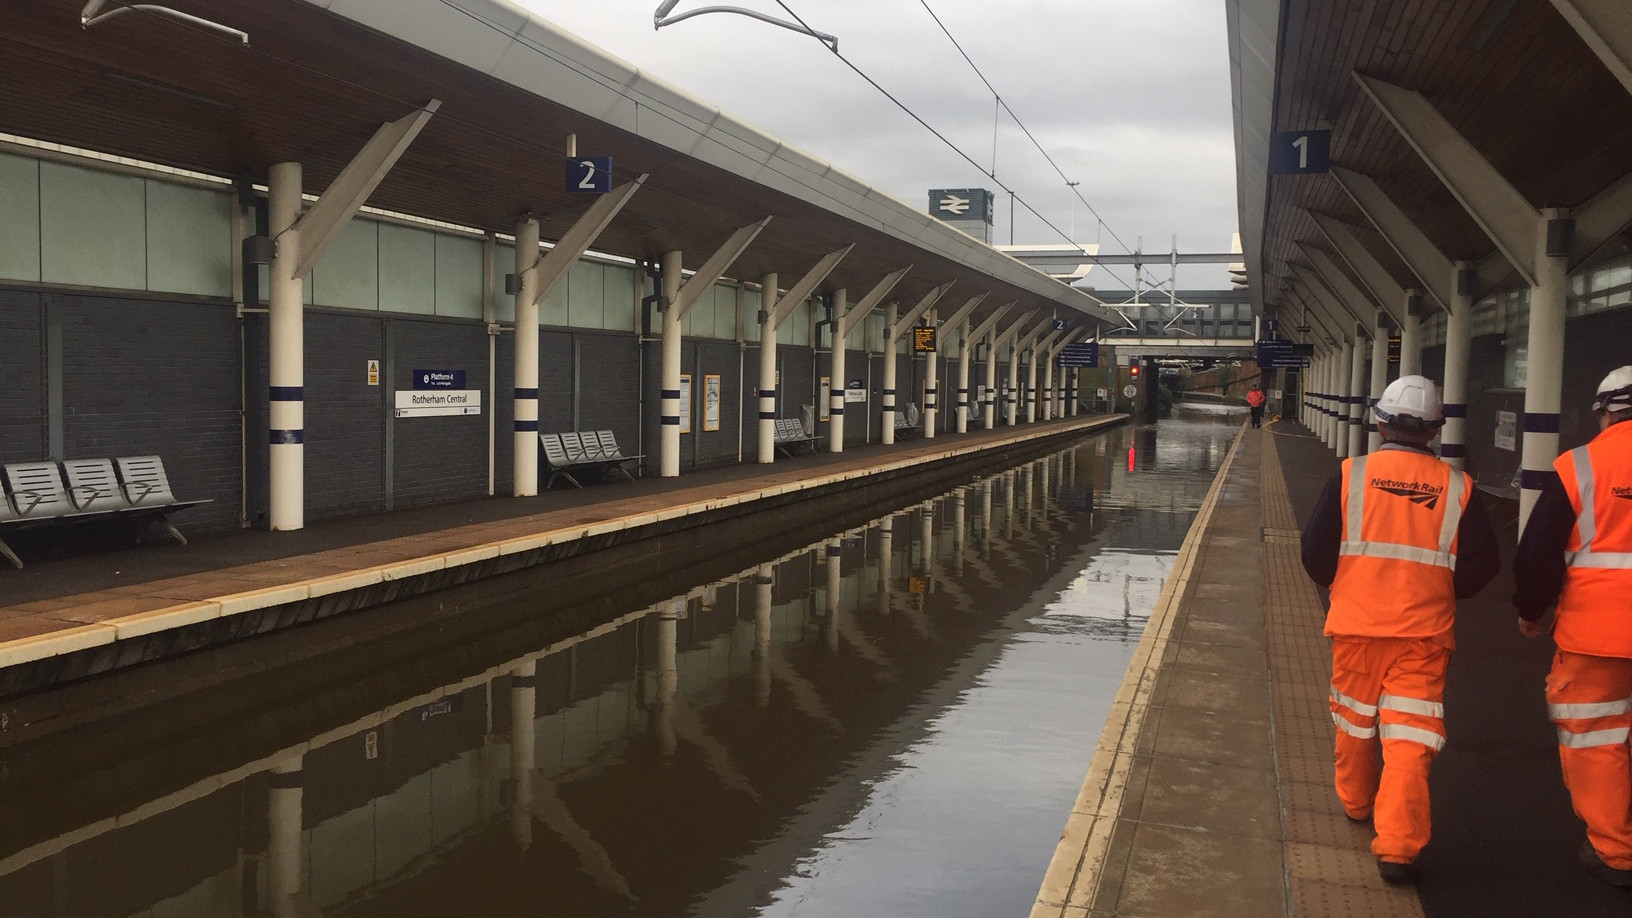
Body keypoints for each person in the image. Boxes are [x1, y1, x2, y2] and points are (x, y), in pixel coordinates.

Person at [1300, 375, 1501, 884]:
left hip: (1357, 625)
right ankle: (1399, 847)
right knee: (1411, 736)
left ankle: (1355, 802)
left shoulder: (1351, 475)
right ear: (1434, 430)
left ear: (1381, 421)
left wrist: (1344, 582)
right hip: (1423, 634)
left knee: (1354, 722)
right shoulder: (1459, 488)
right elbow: (1483, 563)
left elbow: (1315, 550)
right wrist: (1439, 592)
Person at [1513, 365, 1632, 887]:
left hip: (1597, 636)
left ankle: (1616, 849)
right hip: (1598, 634)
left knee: (1597, 737)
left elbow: (1538, 553)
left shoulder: (1580, 466)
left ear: (1605, 412)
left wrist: (1530, 610)